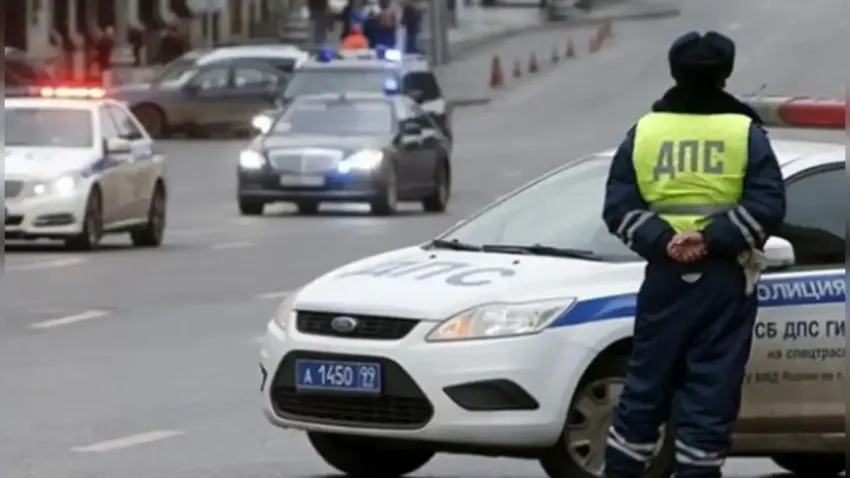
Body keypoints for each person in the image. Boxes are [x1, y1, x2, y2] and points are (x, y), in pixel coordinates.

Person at [601, 31, 786, 478]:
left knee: (646, 383)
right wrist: (712, 240)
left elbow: (619, 206)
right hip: (723, 279)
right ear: (726, 74)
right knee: (712, 387)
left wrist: (663, 240)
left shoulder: (644, 131)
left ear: (673, 71)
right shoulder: (744, 134)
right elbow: (768, 205)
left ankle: (622, 470)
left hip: (664, 276)